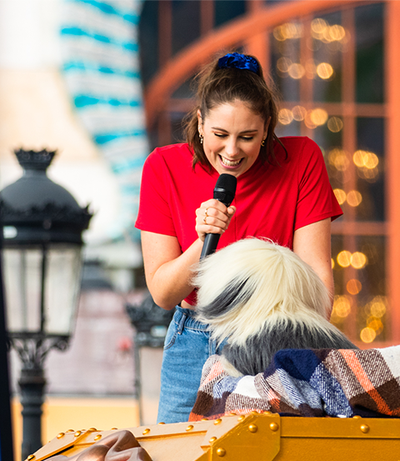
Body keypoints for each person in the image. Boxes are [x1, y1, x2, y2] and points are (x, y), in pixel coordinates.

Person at [135, 52, 342, 424]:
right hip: (192, 338)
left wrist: (294, 348)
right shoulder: (163, 167)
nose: (231, 151)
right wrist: (204, 239)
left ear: (266, 128)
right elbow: (164, 293)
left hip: (272, 332)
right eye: (220, 135)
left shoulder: (301, 160)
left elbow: (319, 283)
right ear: (200, 123)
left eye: (247, 137)